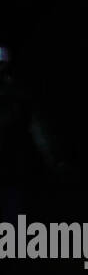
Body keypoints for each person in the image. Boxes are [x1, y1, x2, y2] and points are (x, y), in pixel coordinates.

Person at [0, 45, 55, 225]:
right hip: (14, 164)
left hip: (13, 164)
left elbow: (38, 131)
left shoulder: (20, 94)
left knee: (13, 204)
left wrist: (53, 159)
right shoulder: (20, 93)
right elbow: (39, 132)